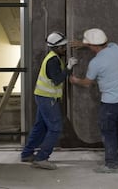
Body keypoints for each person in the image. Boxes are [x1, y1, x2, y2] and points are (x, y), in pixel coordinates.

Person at [70, 28, 118, 173]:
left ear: (93, 46)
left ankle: (111, 164)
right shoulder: (116, 48)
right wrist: (85, 44)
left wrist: (75, 80)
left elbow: (87, 82)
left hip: (111, 103)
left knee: (108, 132)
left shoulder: (96, 63)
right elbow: (104, 44)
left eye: (89, 45)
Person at [20, 31, 78, 170]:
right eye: (63, 47)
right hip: (47, 98)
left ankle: (27, 154)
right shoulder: (53, 60)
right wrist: (69, 67)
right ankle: (41, 158)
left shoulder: (54, 57)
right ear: (56, 47)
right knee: (55, 128)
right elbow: (57, 80)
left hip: (42, 96)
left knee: (40, 126)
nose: (65, 49)